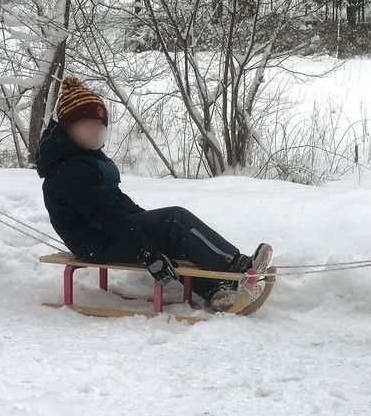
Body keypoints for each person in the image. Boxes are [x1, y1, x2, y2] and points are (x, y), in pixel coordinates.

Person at [36, 76, 272, 311]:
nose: (96, 131)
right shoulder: (69, 169)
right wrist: (145, 249)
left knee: (168, 231)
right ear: (69, 127)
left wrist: (146, 222)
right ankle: (237, 266)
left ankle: (216, 292)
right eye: (88, 124)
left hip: (104, 235)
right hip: (95, 241)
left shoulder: (83, 161)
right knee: (175, 220)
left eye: (100, 125)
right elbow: (105, 215)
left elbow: (118, 203)